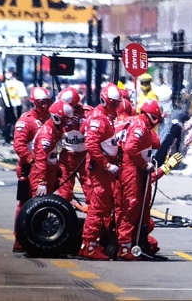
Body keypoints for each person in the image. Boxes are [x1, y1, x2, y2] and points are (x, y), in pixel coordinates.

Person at [116, 99, 182, 260]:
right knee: (131, 207)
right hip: (131, 169)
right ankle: (124, 248)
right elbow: (131, 148)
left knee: (140, 215)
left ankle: (136, 244)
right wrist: (150, 165)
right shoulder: (139, 127)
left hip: (132, 168)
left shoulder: (133, 124)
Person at [78, 83, 123, 260]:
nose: (115, 107)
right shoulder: (98, 118)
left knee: (101, 207)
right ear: (105, 101)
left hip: (105, 167)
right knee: (97, 207)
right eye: (112, 104)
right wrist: (105, 164)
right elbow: (90, 144)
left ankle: (88, 245)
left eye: (117, 104)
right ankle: (89, 246)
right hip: (99, 169)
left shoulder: (105, 117)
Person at [12, 87, 52, 252]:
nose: (45, 106)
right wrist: (31, 160)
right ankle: (20, 238)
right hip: (29, 169)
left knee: (44, 202)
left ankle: (37, 235)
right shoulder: (26, 120)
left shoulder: (50, 119)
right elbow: (19, 145)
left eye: (48, 102)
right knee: (26, 204)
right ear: (35, 103)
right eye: (42, 103)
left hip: (46, 167)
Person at [29, 100, 73, 199]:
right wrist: (42, 181)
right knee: (39, 204)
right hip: (42, 172)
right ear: (57, 118)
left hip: (51, 169)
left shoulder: (55, 130)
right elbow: (41, 159)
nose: (67, 123)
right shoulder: (46, 135)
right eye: (66, 120)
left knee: (48, 201)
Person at [56, 87, 90, 203]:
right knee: (64, 192)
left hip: (84, 156)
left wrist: (83, 122)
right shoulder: (59, 111)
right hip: (67, 155)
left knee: (90, 190)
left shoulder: (88, 112)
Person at [0, 70, 28, 145]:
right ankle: (16, 139)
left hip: (7, 105)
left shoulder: (4, 84)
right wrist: (26, 107)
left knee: (8, 123)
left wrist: (2, 106)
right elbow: (23, 96)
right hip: (17, 106)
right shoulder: (20, 84)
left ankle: (7, 139)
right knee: (17, 123)